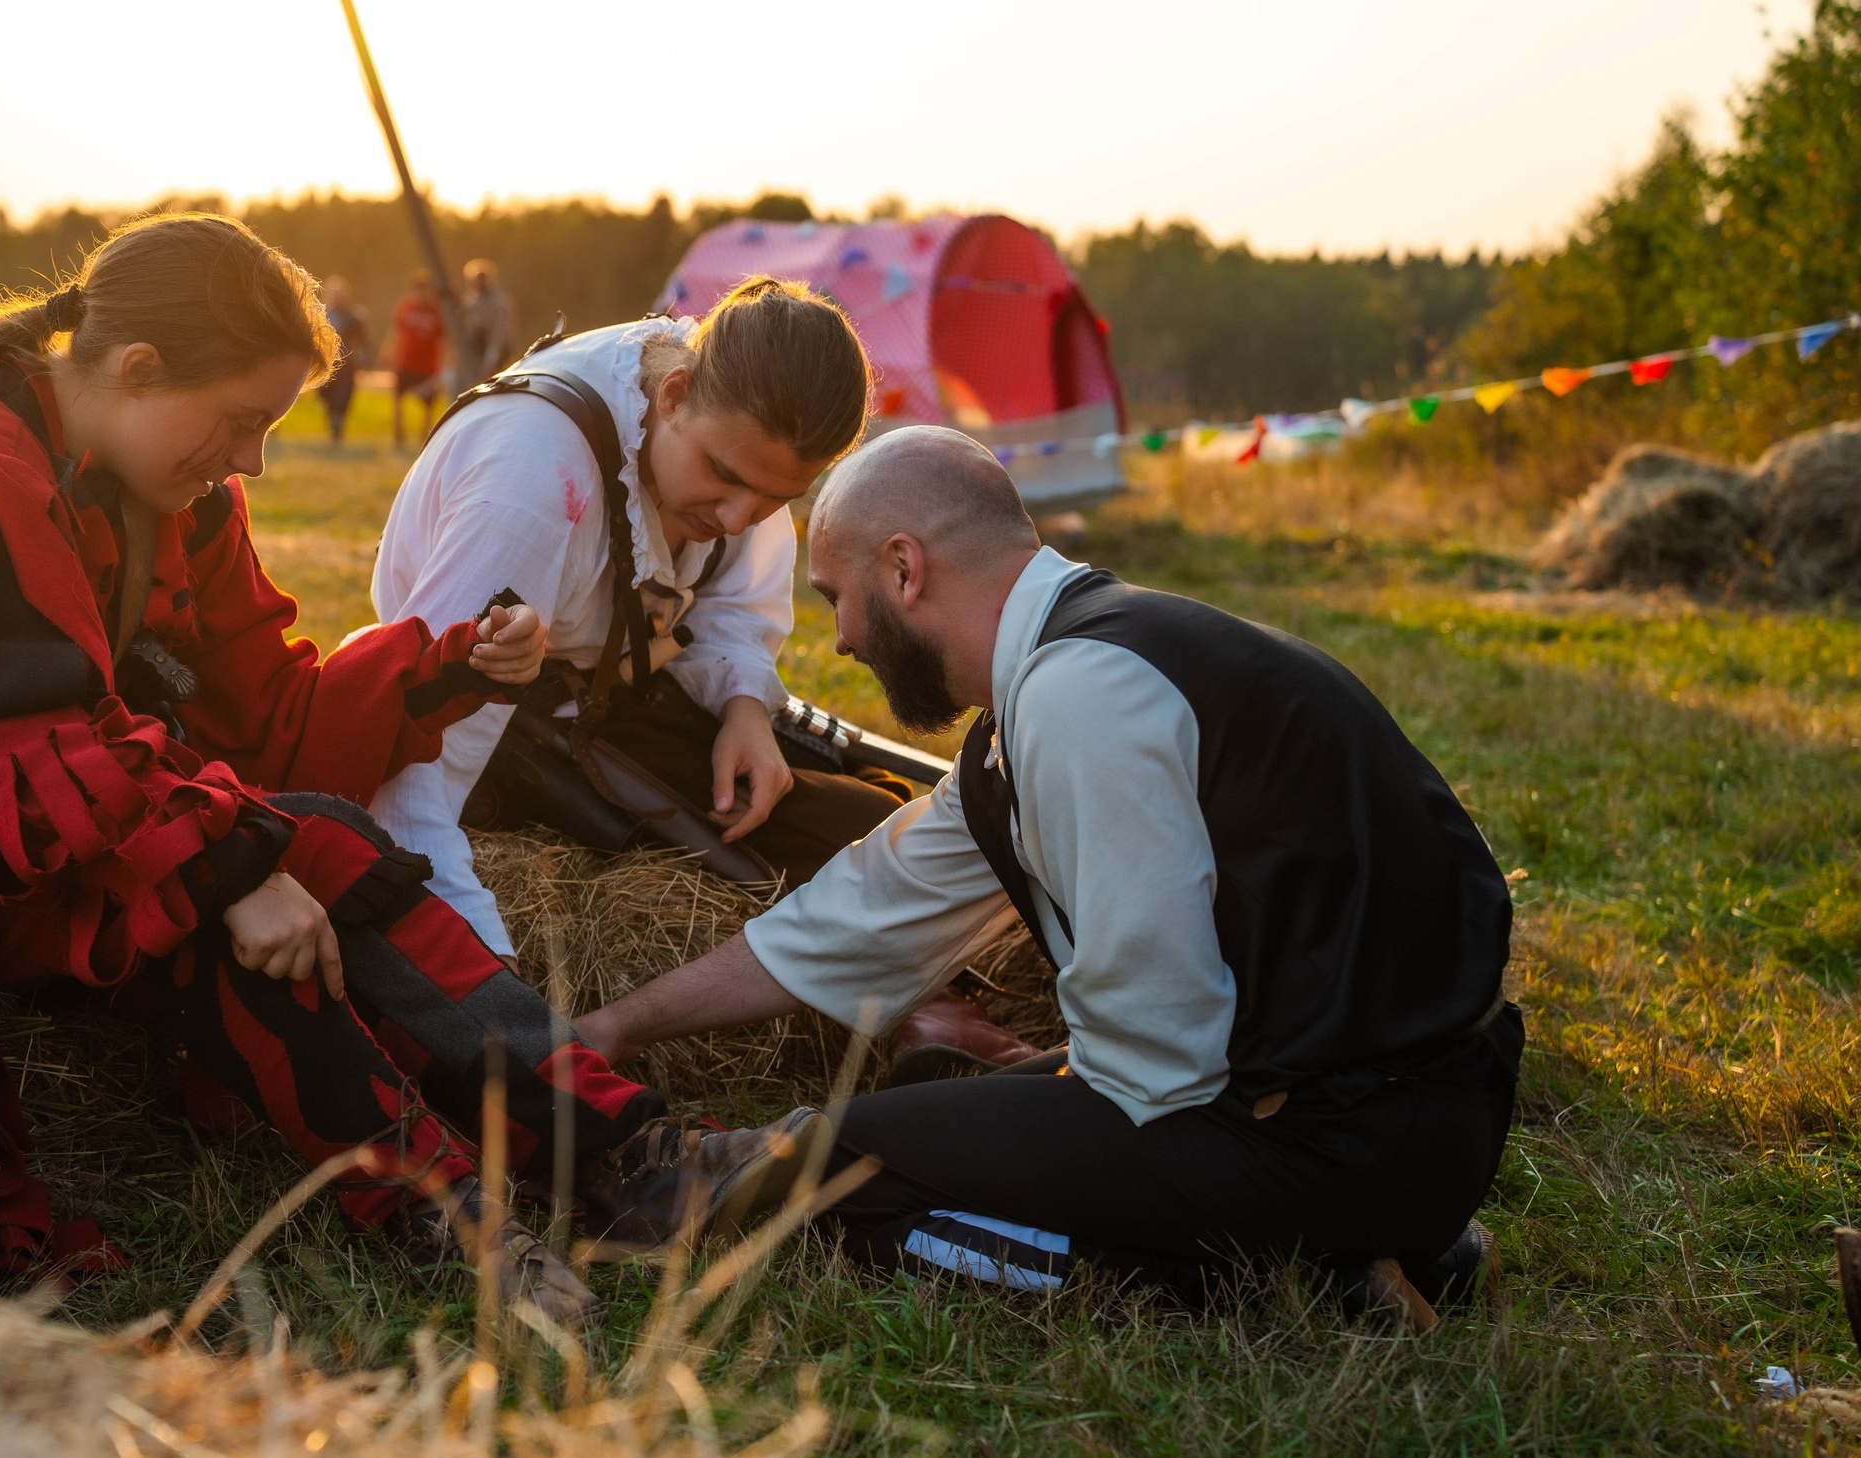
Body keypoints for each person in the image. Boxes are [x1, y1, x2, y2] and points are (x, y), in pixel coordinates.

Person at [0, 215, 724, 1325]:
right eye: (243, 420)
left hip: (52, 808)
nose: (255, 461)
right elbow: (8, 774)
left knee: (317, 843)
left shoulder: (166, 480)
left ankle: (630, 1154)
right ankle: (449, 1218)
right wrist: (227, 862)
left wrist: (444, 665)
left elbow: (257, 719)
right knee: (204, 898)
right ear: (143, 367)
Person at [572, 427, 1520, 1322]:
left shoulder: (1080, 697)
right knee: (925, 1106)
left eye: (834, 597)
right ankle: (1363, 1244)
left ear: (904, 569)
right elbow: (859, 915)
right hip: (1395, 1117)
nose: (844, 641)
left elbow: (1152, 1064)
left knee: (854, 1174)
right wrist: (618, 1023)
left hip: (1346, 1138)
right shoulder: (1064, 684)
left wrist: (976, 1116)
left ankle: (1292, 1279)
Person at [366, 279, 918, 963]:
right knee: (861, 836)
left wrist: (747, 707)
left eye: (775, 498)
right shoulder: (533, 478)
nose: (736, 519)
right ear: (673, 393)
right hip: (515, 726)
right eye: (724, 475)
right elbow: (418, 771)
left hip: (616, 691)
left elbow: (731, 606)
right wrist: (490, 983)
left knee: (890, 815)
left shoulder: (725, 424)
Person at [386, 269, 448, 446]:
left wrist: (441, 369)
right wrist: (389, 353)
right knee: (397, 398)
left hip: (428, 366)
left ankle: (424, 437)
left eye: (425, 290)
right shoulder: (406, 307)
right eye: (419, 289)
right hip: (405, 362)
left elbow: (444, 342)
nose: (422, 294)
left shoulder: (437, 312)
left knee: (428, 405)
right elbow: (395, 331)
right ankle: (399, 434)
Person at [317, 274, 367, 445]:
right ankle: (333, 421)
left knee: (343, 396)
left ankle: (337, 426)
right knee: (326, 395)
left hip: (346, 364)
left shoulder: (353, 317)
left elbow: (362, 341)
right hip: (325, 363)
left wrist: (362, 361)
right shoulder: (321, 315)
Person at [459, 258, 517, 385]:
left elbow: (500, 335)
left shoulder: (498, 302)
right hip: (477, 352)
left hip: (497, 353)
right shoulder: (469, 302)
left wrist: (491, 360)